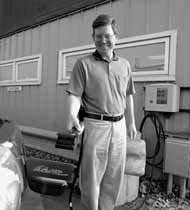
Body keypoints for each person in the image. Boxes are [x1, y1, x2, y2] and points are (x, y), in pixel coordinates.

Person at [66, 14, 137, 210]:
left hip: (120, 126)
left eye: (107, 35)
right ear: (93, 37)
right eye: (98, 36)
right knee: (91, 177)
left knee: (114, 176)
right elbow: (75, 94)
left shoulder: (125, 65)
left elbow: (128, 95)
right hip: (95, 125)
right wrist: (72, 114)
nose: (102, 40)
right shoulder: (83, 64)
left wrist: (131, 123)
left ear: (116, 37)